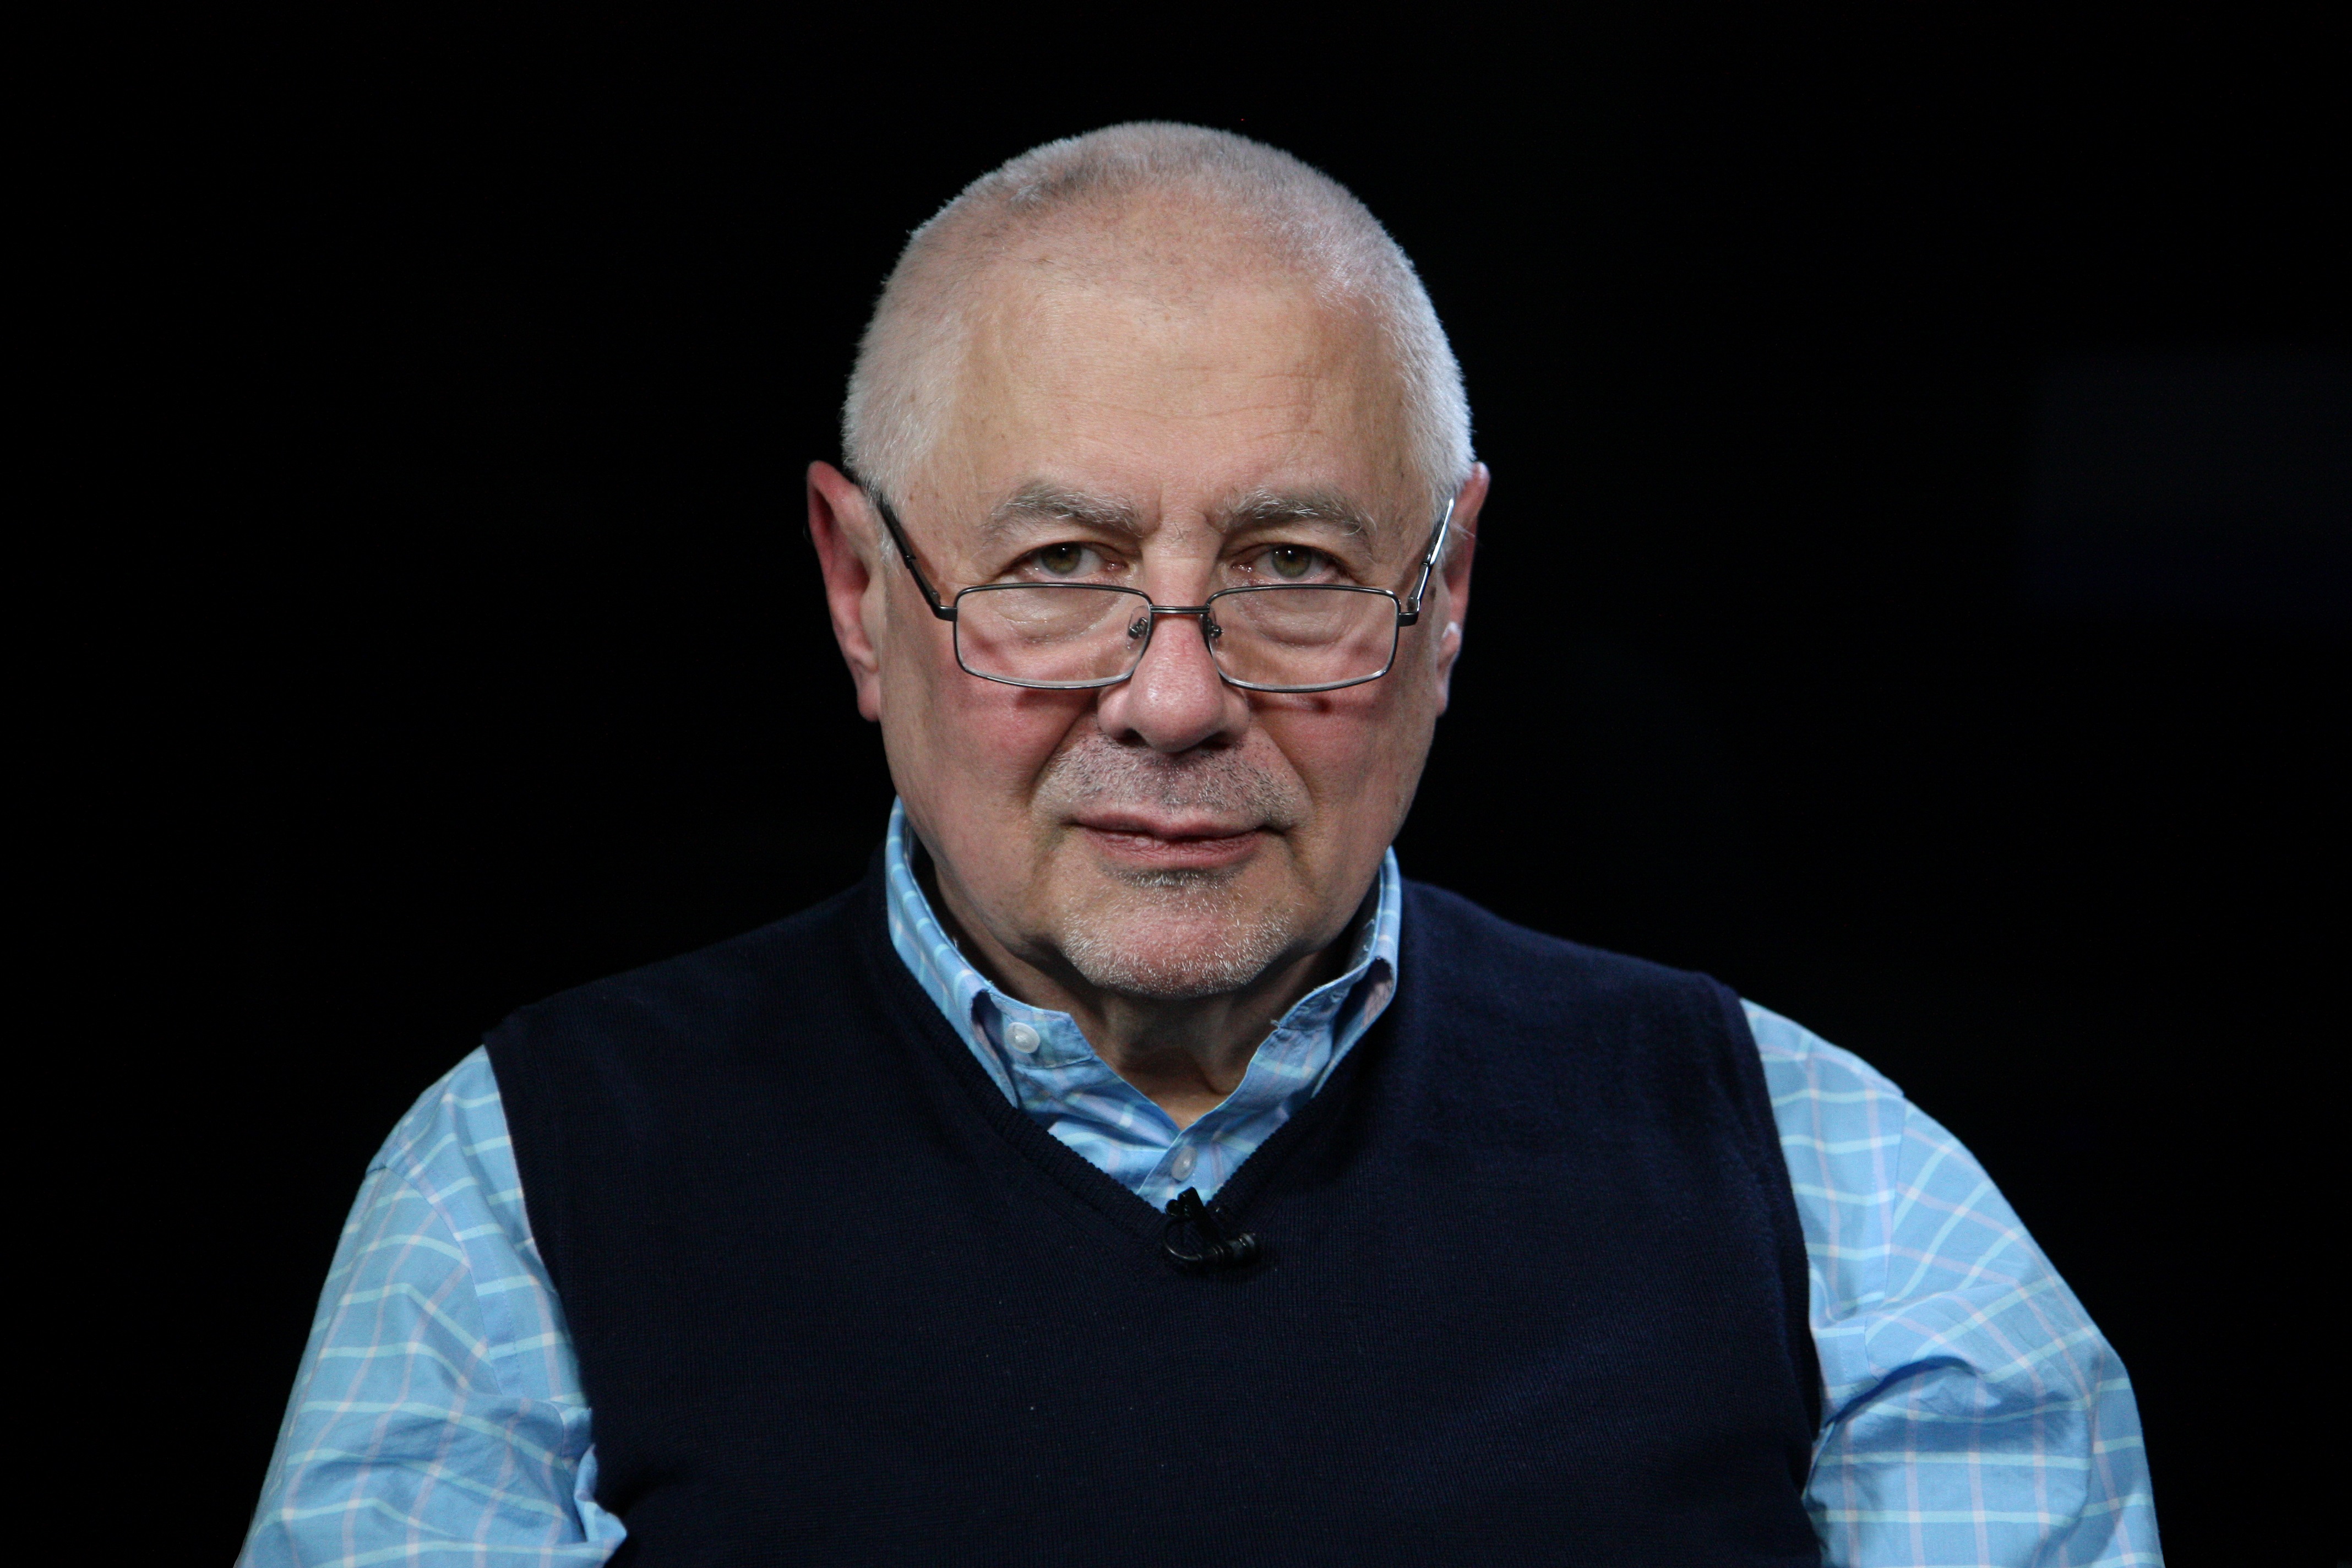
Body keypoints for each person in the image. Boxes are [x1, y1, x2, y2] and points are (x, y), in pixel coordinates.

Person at [241, 124, 2159, 1566]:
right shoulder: (519, 1190)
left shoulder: (1838, 1200)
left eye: (1294, 568)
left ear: (1448, 593)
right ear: (859, 590)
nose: (1172, 699)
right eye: (1060, 565)